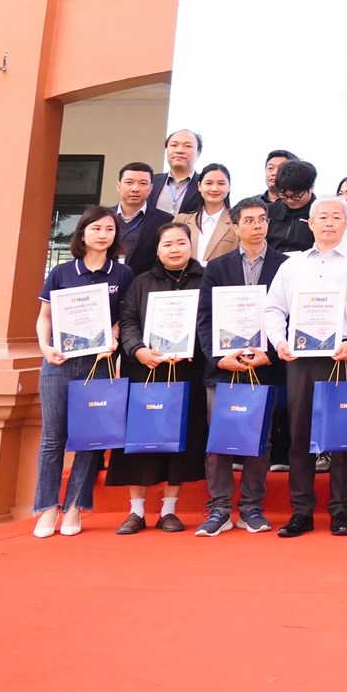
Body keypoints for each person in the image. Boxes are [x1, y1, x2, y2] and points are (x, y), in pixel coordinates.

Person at [263, 195, 347, 536]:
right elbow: (273, 309)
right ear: (310, 223)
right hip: (301, 359)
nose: (329, 222)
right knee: (300, 436)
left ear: (346, 223)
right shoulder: (291, 264)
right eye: (322, 216)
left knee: (342, 437)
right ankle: (301, 512)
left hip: (343, 356)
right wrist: (279, 341)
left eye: (336, 216)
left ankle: (341, 512)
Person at [32, 207, 131, 537]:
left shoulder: (122, 274)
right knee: (53, 439)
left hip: (98, 364)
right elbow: (45, 316)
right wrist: (44, 347)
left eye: (109, 229)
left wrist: (113, 336)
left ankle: (74, 506)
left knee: (90, 439)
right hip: (58, 362)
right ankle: (47, 509)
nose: (103, 235)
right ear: (83, 233)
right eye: (96, 228)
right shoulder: (62, 272)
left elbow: (124, 317)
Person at [112, 222, 210, 533]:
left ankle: (169, 509)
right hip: (146, 369)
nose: (175, 249)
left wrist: (194, 347)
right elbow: (128, 321)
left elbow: (210, 321)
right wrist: (138, 350)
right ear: (157, 249)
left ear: (191, 246)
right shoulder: (141, 282)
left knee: (179, 441)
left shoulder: (206, 280)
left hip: (187, 370)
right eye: (167, 244)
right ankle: (136, 511)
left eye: (181, 242)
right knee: (140, 440)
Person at [197, 198, 286, 537]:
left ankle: (251, 507)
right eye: (248, 220)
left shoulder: (285, 266)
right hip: (223, 368)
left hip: (264, 366)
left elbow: (291, 316)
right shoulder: (217, 267)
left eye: (262, 219)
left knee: (259, 440)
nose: (257, 225)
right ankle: (219, 508)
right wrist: (218, 357)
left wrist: (271, 354)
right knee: (219, 439)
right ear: (235, 227)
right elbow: (205, 319)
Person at [178, 162, 239, 264]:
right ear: (199, 186)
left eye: (221, 183)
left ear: (229, 187)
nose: (214, 189)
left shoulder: (239, 222)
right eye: (209, 183)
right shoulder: (181, 220)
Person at [112, 160, 161, 272]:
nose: (135, 189)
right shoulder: (102, 217)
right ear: (118, 186)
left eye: (143, 183)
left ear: (151, 188)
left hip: (143, 281)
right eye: (129, 182)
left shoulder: (164, 221)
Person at [265, 159, 317, 255]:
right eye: (284, 195)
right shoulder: (269, 211)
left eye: (295, 196)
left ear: (311, 188)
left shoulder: (320, 214)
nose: (289, 200)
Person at [148, 129, 205, 217]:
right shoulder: (151, 181)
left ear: (198, 153)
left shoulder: (205, 185)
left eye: (188, 146)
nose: (179, 150)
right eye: (174, 145)